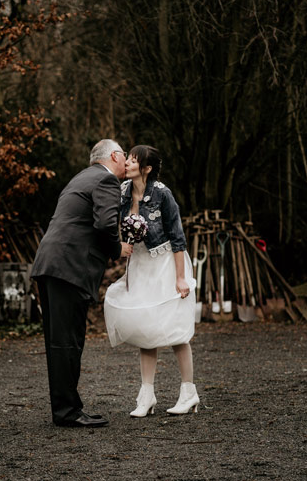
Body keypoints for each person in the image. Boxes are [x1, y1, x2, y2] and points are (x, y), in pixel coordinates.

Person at [31, 139, 133, 428]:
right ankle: (67, 412)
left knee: (58, 341)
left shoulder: (81, 177)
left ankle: (65, 408)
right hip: (69, 267)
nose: (126, 160)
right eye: (124, 155)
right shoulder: (106, 180)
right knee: (67, 341)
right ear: (114, 155)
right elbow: (104, 224)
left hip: (51, 263)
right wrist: (117, 249)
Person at [103, 145, 199, 417]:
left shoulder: (162, 194)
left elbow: (178, 238)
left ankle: (188, 392)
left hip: (166, 263)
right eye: (129, 158)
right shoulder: (122, 192)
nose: (128, 163)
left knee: (175, 329)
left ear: (146, 168)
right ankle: (146, 395)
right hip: (141, 266)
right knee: (146, 330)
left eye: (134, 160)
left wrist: (181, 278)